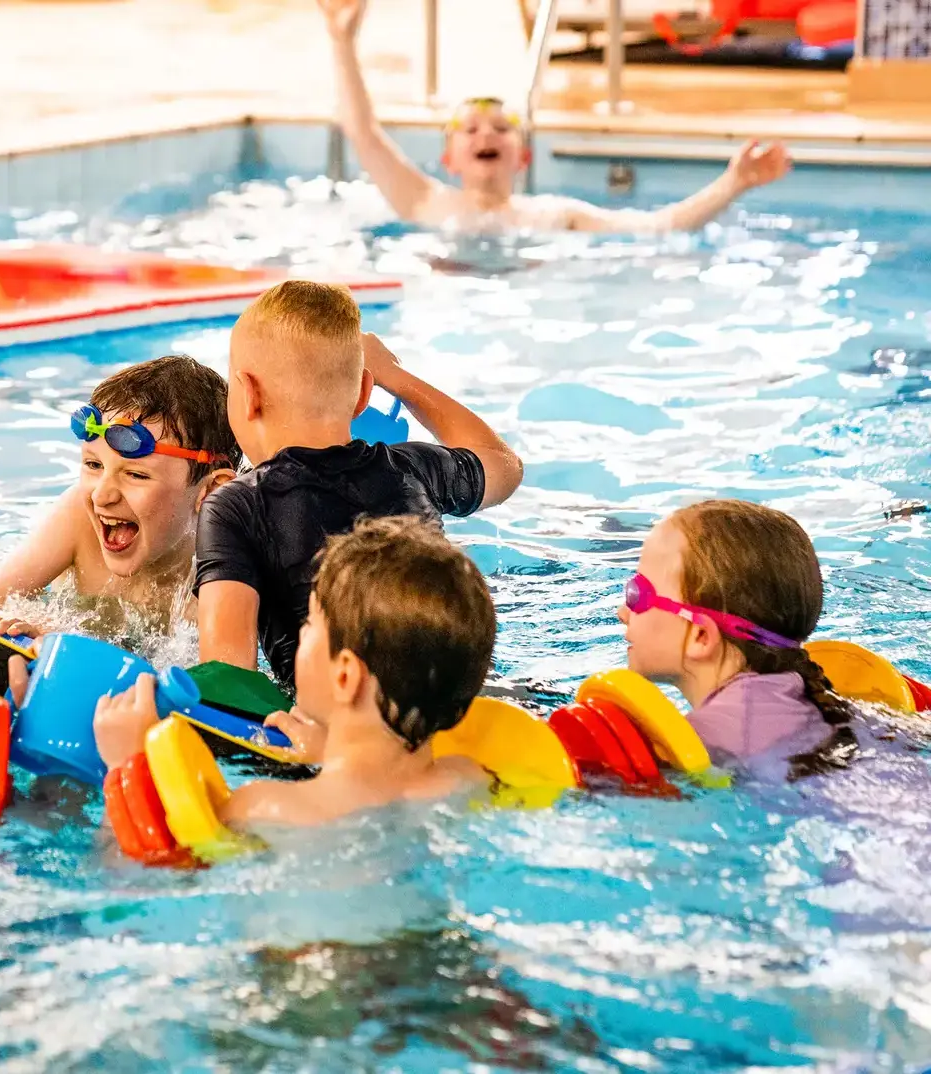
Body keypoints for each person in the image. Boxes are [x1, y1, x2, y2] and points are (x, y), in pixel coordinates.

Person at [195, 280, 521, 686]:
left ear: (248, 394)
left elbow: (227, 679)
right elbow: (506, 467)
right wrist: (395, 376)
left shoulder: (235, 506)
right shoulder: (414, 469)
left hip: (332, 727)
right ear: (365, 393)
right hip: (454, 701)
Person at [84, 516, 495, 825]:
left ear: (345, 676)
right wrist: (328, 752)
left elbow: (148, 871)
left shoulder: (267, 807)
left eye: (311, 624)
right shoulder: (468, 779)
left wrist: (127, 763)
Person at [318, 0, 793, 233]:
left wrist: (733, 185)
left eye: (502, 129)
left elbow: (657, 227)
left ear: (523, 158)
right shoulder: (424, 202)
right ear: (449, 160)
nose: (488, 133)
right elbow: (363, 133)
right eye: (472, 129)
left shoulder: (556, 216)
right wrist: (341, 42)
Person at [0, 354, 238, 638]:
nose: (101, 496)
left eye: (136, 475)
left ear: (212, 491)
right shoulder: (78, 517)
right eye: (93, 465)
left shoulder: (227, 578)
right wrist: (33, 634)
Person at [620, 499, 855, 779]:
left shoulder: (707, 748)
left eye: (637, 594)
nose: (622, 612)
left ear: (701, 635)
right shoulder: (821, 701)